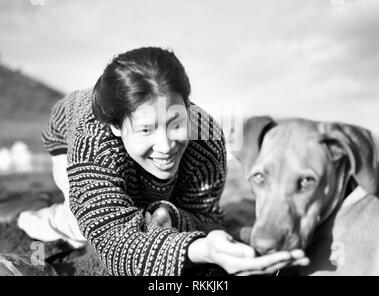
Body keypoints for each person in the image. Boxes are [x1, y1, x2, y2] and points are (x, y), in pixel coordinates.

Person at [18, 47, 309, 275]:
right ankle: (35, 216)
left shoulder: (205, 139)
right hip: (65, 134)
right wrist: (201, 250)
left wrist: (171, 216)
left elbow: (204, 214)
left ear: (187, 107)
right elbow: (115, 244)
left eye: (175, 122)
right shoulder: (94, 143)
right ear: (117, 127)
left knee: (154, 216)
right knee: (85, 228)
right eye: (146, 129)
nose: (166, 145)